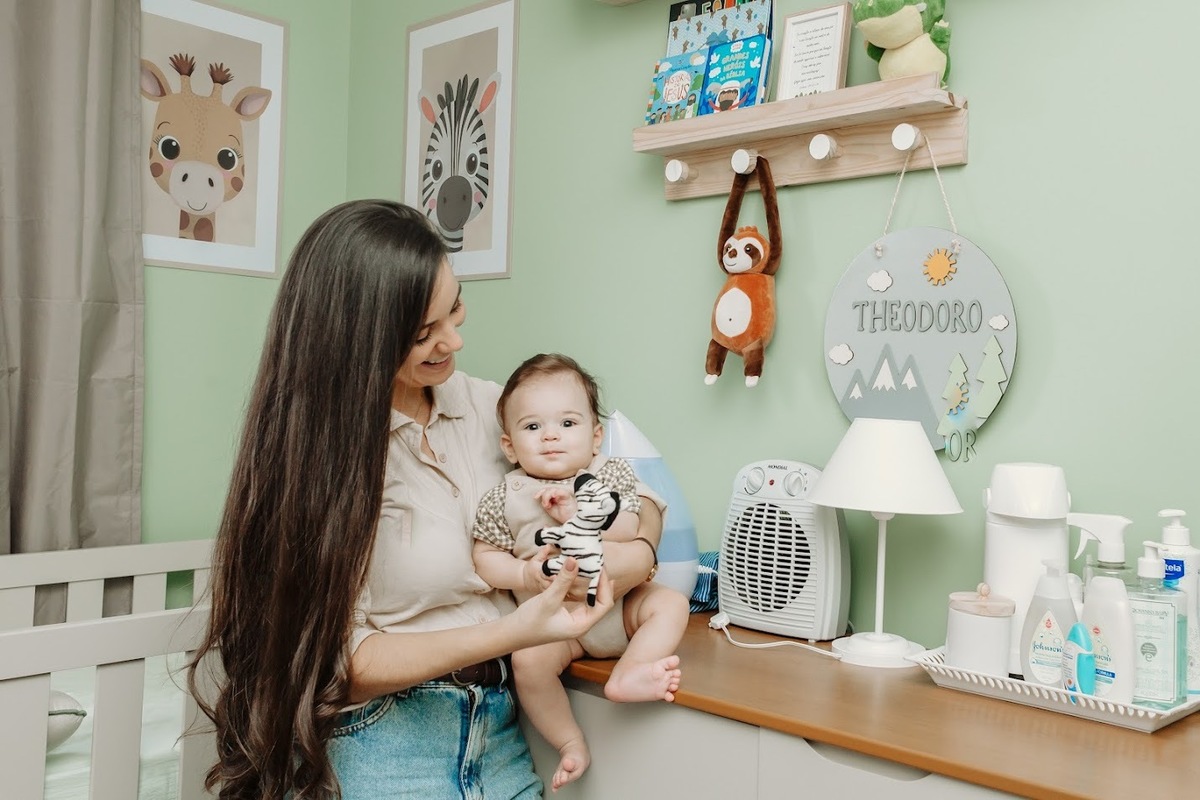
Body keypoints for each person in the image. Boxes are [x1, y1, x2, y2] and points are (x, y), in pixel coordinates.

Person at [186, 200, 663, 800]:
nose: (454, 339)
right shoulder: (323, 463)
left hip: (500, 736)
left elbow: (629, 487)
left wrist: (638, 551)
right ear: (358, 341)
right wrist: (518, 629)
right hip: (384, 747)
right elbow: (351, 664)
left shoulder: (494, 407)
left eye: (456, 306)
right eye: (423, 333)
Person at [472, 353, 690, 792]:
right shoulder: (504, 496)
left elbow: (631, 527)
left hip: (621, 607)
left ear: (596, 438)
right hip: (555, 629)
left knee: (670, 603)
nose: (551, 435)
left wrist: (582, 513)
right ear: (510, 445)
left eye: (567, 424)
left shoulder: (609, 475)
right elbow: (484, 556)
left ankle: (632, 670)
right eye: (533, 427)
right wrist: (522, 575)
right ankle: (570, 741)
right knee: (527, 663)